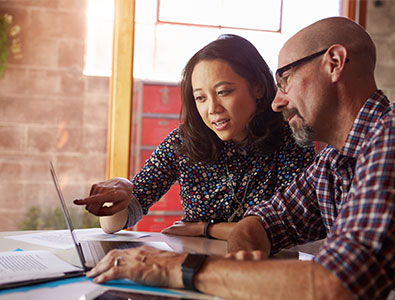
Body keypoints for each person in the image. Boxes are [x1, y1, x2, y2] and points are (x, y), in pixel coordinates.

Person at [83, 17, 395, 300]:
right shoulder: (332, 160)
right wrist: (235, 271)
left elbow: (340, 284)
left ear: (333, 62)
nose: (278, 102)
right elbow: (266, 221)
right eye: (200, 97)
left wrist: (178, 267)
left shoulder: (392, 135)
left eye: (285, 80)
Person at [74, 34, 314, 240]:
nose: (212, 108)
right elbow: (115, 224)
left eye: (223, 92)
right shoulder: (183, 142)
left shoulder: (291, 139)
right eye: (201, 97)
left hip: (264, 274)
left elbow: (289, 227)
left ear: (258, 88)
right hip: (196, 270)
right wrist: (123, 190)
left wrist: (205, 229)